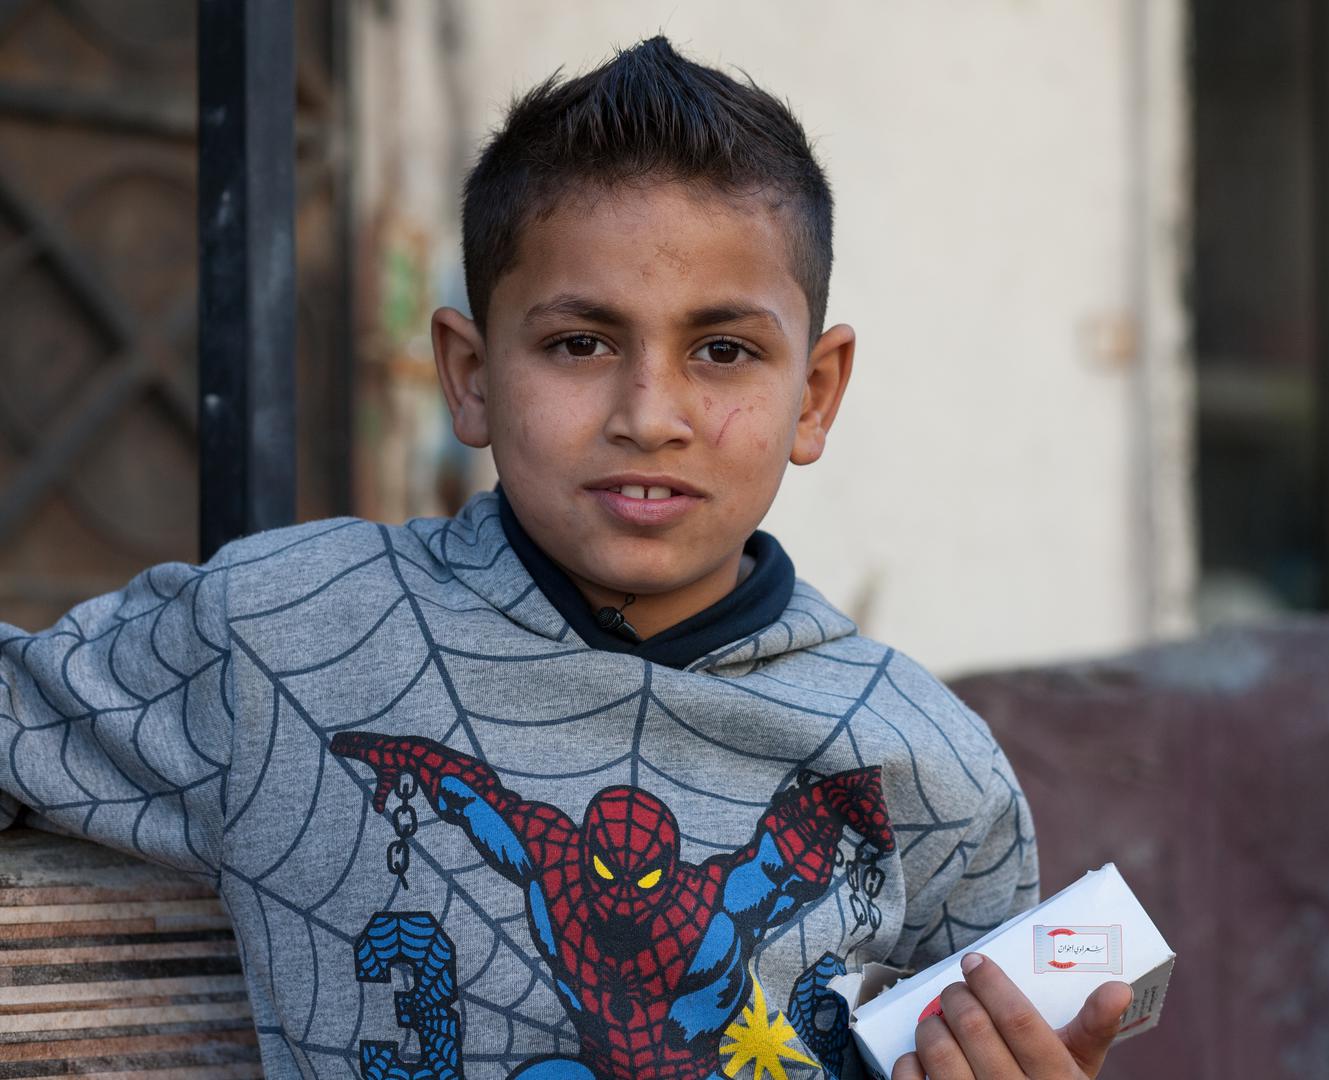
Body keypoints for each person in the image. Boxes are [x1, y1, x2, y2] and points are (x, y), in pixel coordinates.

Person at [0, 37, 1130, 1080]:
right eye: (579, 343)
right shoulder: (286, 632)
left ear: (815, 394)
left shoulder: (923, 768)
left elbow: (983, 1039)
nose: (651, 412)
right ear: (472, 373)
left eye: (723, 349)